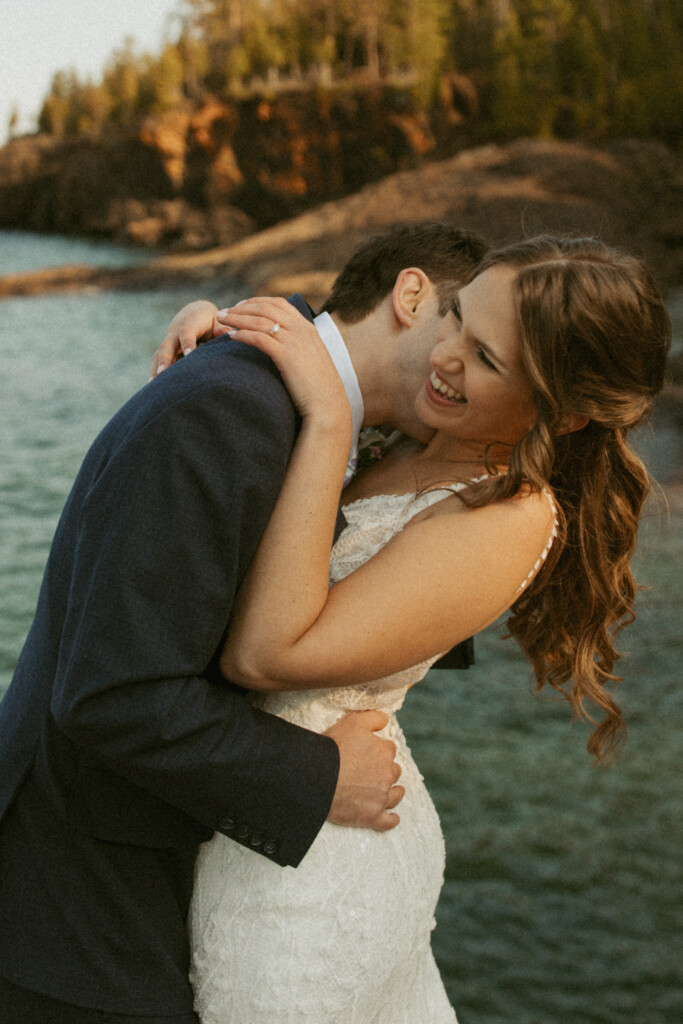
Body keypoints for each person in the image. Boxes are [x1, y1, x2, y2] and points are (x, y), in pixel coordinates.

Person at [0, 222, 486, 1023]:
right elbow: (112, 693)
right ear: (410, 296)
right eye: (467, 331)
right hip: (84, 914)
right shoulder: (227, 407)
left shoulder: (318, 417)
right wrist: (318, 776)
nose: (471, 367)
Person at [177, 236, 670, 1022]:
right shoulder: (420, 427)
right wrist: (219, 349)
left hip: (316, 868)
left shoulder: (510, 515)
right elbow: (338, 351)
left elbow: (267, 652)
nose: (442, 356)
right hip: (272, 803)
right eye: (452, 318)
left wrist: (327, 425)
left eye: (485, 359)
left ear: (567, 412)